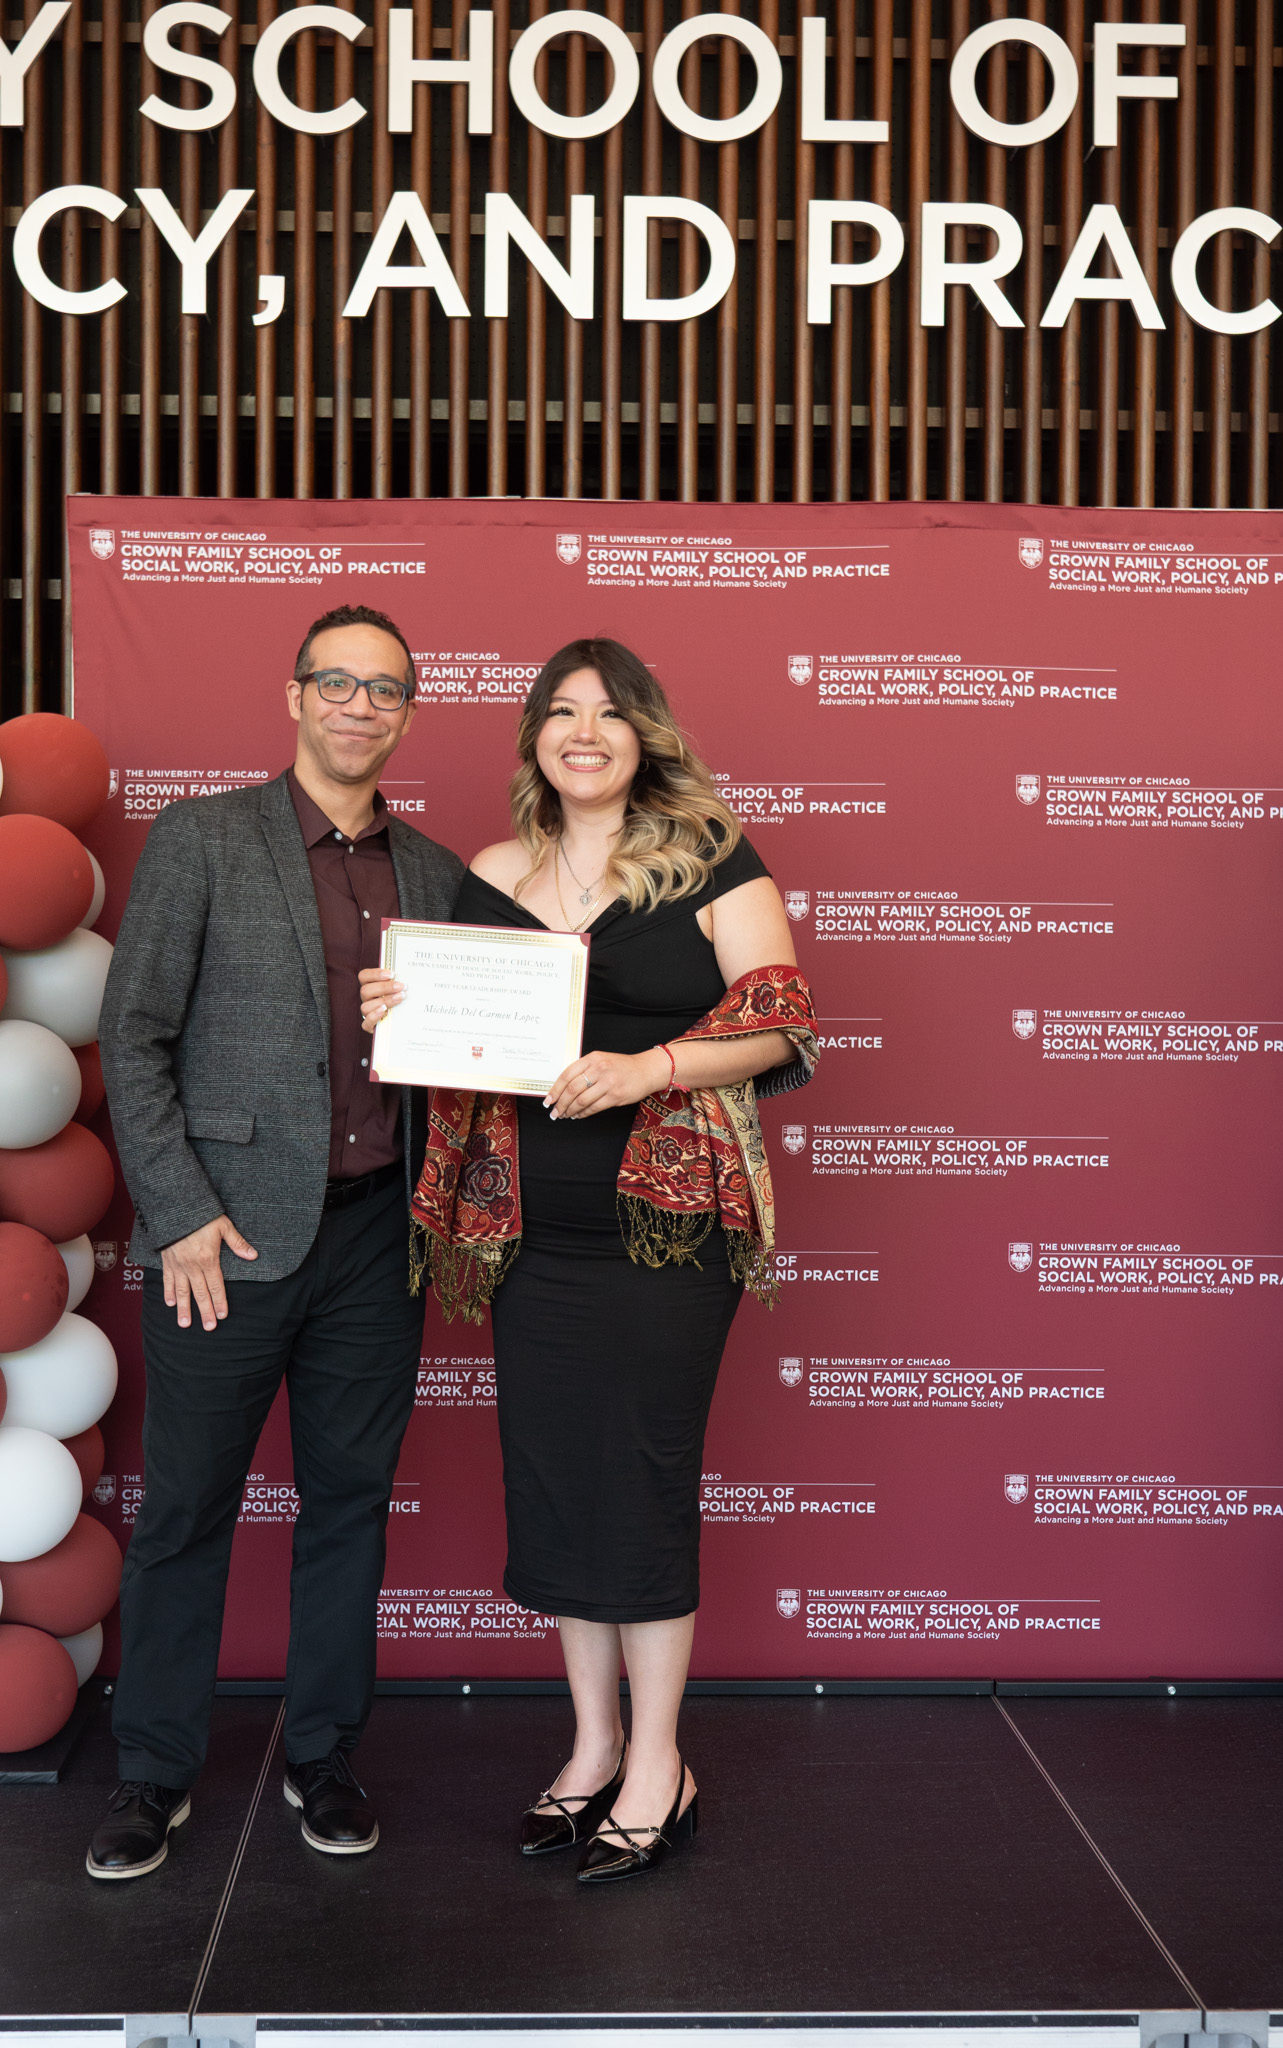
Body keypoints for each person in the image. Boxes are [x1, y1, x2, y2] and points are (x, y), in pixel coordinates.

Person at [359, 637, 817, 1883]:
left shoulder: (713, 857)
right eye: (561, 712)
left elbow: (780, 1019)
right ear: (535, 741)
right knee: (558, 1471)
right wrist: (401, 1018)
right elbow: (457, 1050)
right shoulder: (493, 871)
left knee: (643, 1472)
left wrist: (650, 1065)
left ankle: (661, 1761)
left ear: (645, 735)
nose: (584, 731)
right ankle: (591, 1741)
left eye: (609, 714)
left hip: (671, 1225)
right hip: (532, 1235)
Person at [89, 602, 463, 1881]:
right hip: (225, 1239)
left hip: (375, 1237)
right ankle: (153, 1774)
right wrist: (180, 1209)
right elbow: (129, 1035)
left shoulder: (433, 871)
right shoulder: (200, 838)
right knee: (186, 1510)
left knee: (348, 1507)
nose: (363, 705)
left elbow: (467, 1055)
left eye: (388, 689)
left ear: (409, 713)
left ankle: (325, 1754)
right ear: (295, 695)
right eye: (339, 682)